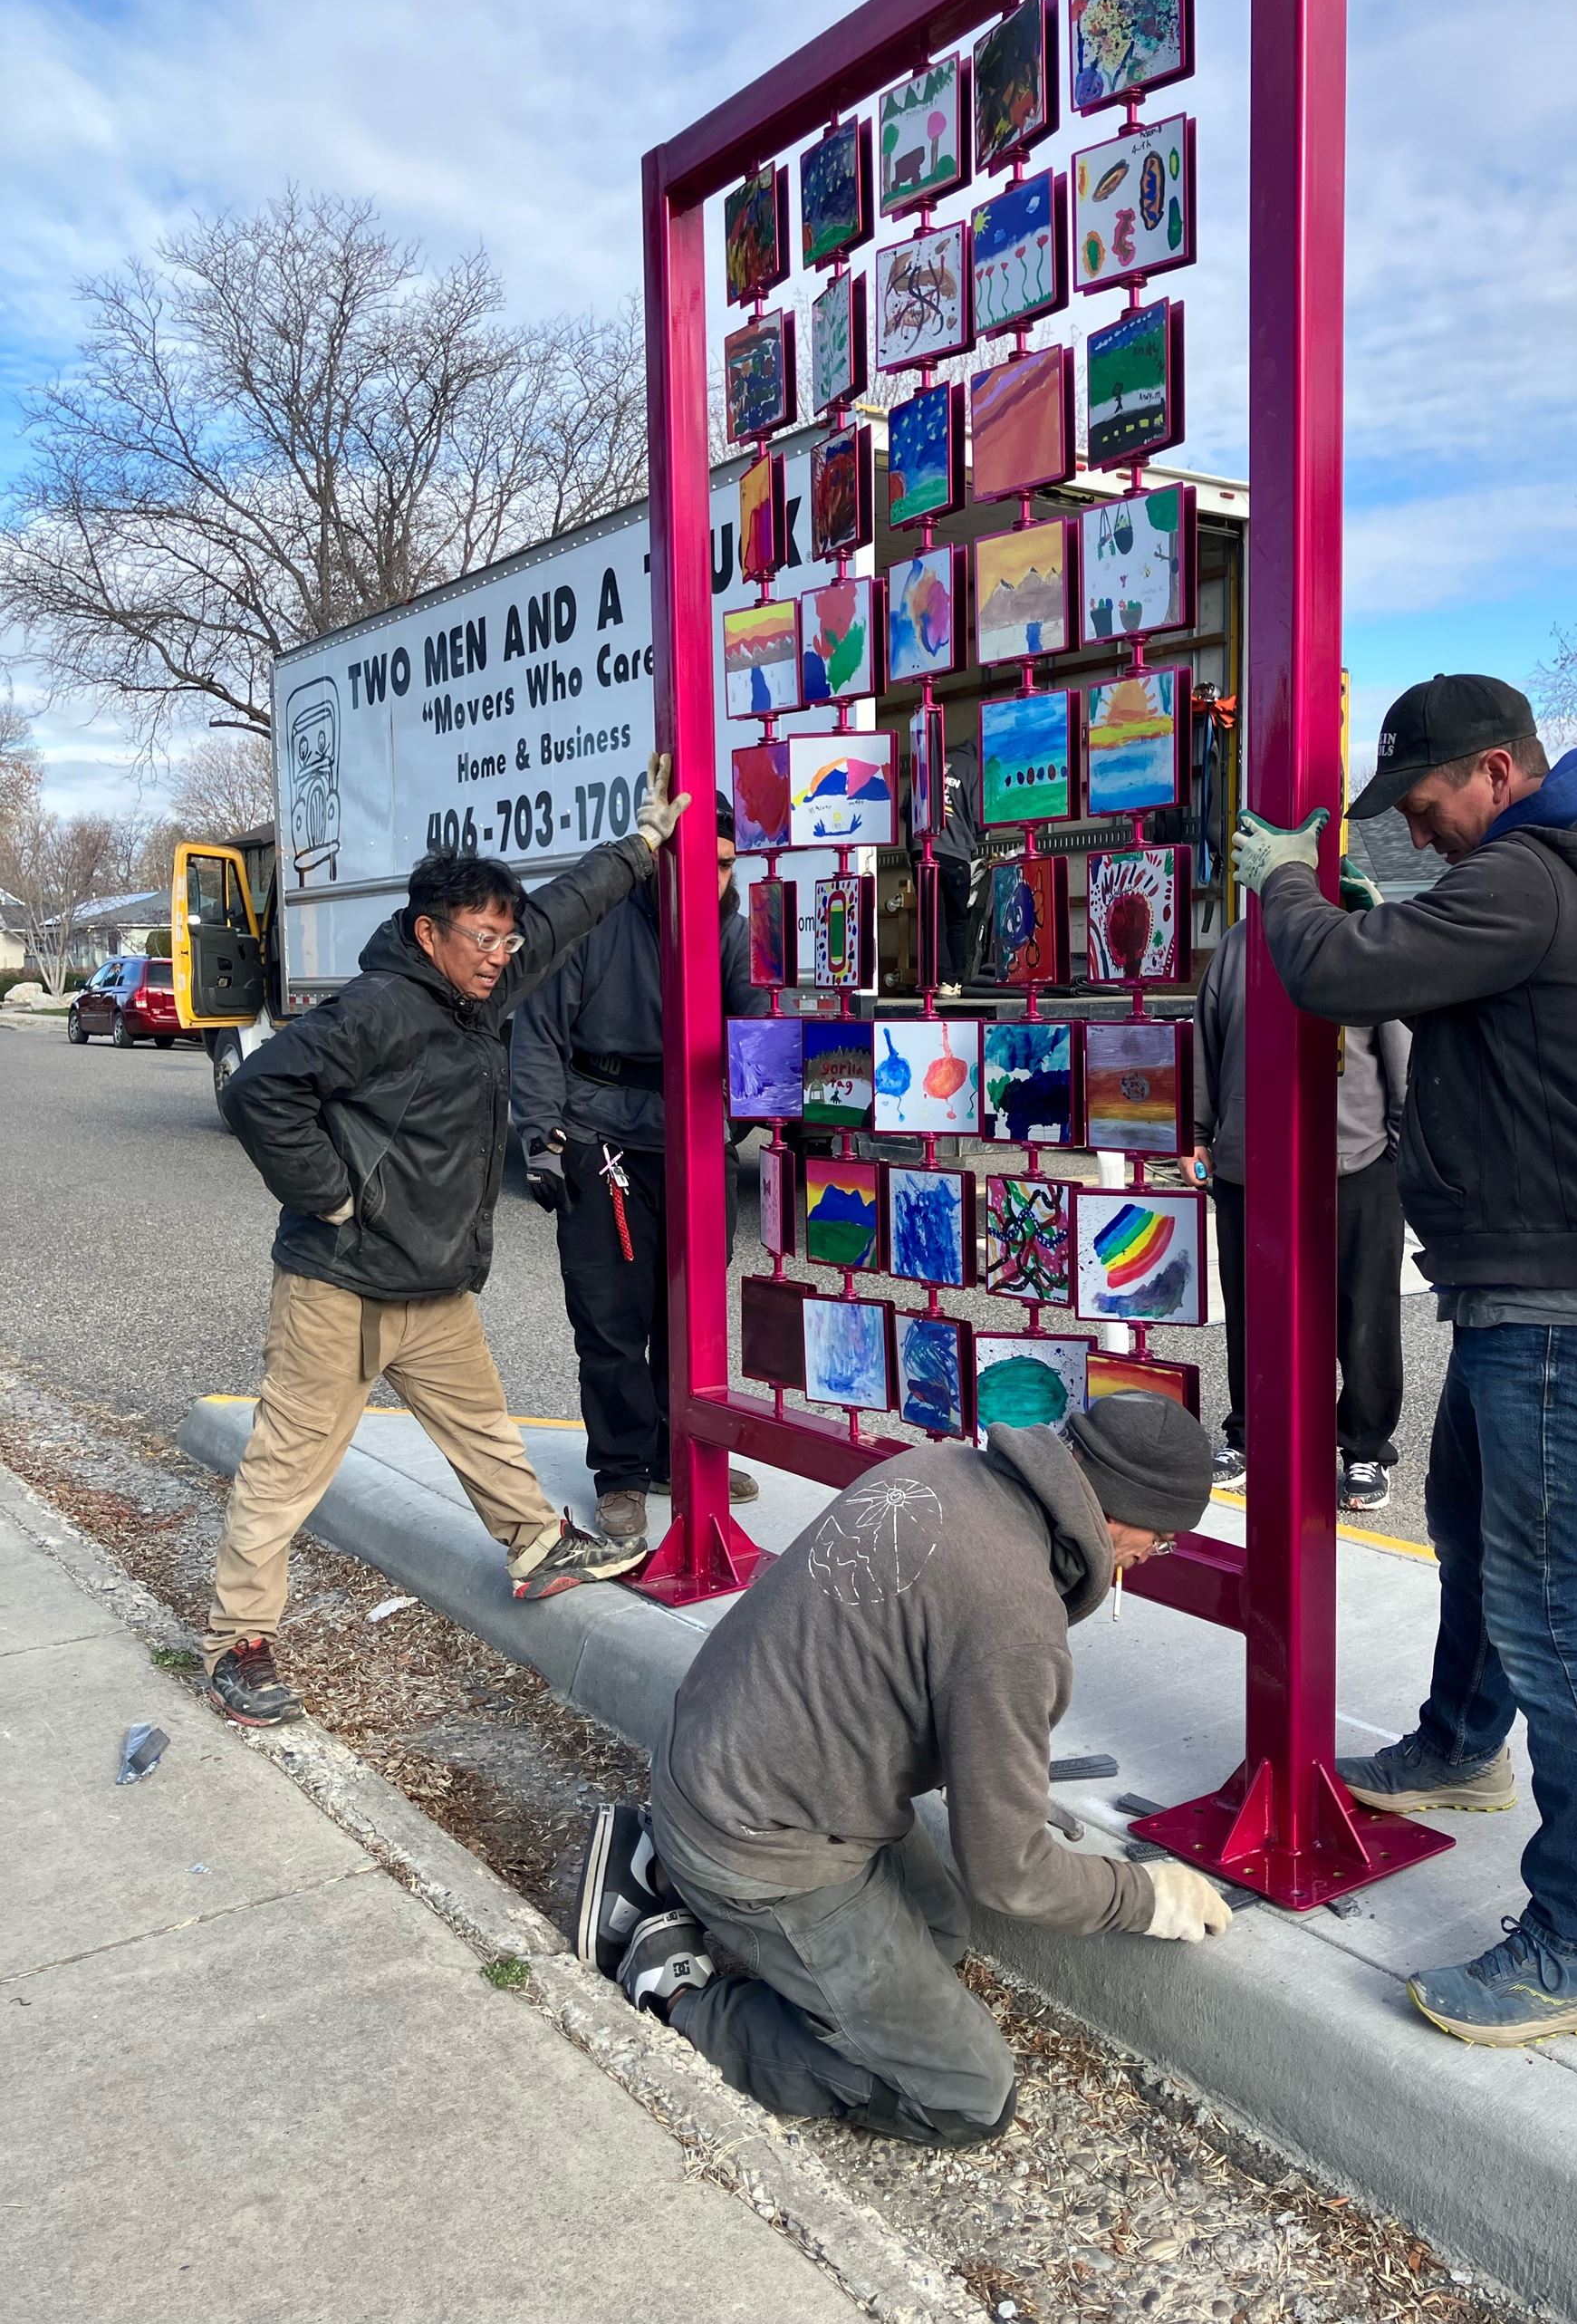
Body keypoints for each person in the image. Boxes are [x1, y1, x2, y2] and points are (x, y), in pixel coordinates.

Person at [1232, 675, 1577, 2048]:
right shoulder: (1536, 882)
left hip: (1554, 1313)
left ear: (1493, 772)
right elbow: (1420, 954)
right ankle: (1461, 1745)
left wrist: (1292, 888)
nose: (1411, 832)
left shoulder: (1528, 877)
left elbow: (1330, 972)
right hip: (1524, 1297)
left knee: (1547, 1616)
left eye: (1420, 806)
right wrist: (1361, 904)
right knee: (1468, 1529)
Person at [574, 1392, 1233, 2146]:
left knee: (939, 1936)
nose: (1152, 1557)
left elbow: (896, 1659)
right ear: (1119, 1515)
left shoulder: (937, 1468)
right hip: (761, 1840)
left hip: (720, 1760)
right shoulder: (1015, 1622)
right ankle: (674, 1996)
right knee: (964, 2096)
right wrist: (1145, 1896)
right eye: (1163, 1539)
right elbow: (1009, 1876)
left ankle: (662, 1866)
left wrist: (999, 1769)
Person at [201, 755, 690, 1728]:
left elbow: (558, 915)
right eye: (481, 936)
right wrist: (332, 1196)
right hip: (339, 1285)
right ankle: (235, 1640)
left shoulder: (485, 989)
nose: (500, 951)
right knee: (287, 1465)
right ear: (429, 933)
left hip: (430, 1289)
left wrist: (640, 846)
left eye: (504, 938)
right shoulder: (382, 1004)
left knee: (487, 1434)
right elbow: (260, 1090)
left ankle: (536, 1545)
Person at [510, 793, 766, 1543]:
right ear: (658, 859)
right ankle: (621, 1471)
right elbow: (539, 1032)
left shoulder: (735, 933)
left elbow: (756, 1025)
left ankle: (672, 1450)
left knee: (689, 1319)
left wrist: (769, 1104)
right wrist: (540, 1138)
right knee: (613, 1320)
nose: (714, 880)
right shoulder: (594, 923)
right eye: (699, 864)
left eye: (726, 866)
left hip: (693, 1141)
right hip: (601, 1136)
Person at [1182, 918, 1409, 1511]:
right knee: (1254, 1313)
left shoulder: (1365, 933)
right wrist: (1200, 1135)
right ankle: (1251, 1436)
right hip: (1248, 1165)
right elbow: (1206, 1043)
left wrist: (1398, 1148)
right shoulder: (1237, 945)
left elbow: (1401, 1050)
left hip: (1355, 1163)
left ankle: (1364, 1448)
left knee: (1365, 1315)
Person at [931, 732, 980, 997]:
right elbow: (979, 817)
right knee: (957, 920)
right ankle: (952, 982)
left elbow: (907, 809)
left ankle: (934, 978)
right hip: (955, 853)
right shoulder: (973, 769)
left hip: (923, 851)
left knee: (933, 918)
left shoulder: (929, 763)